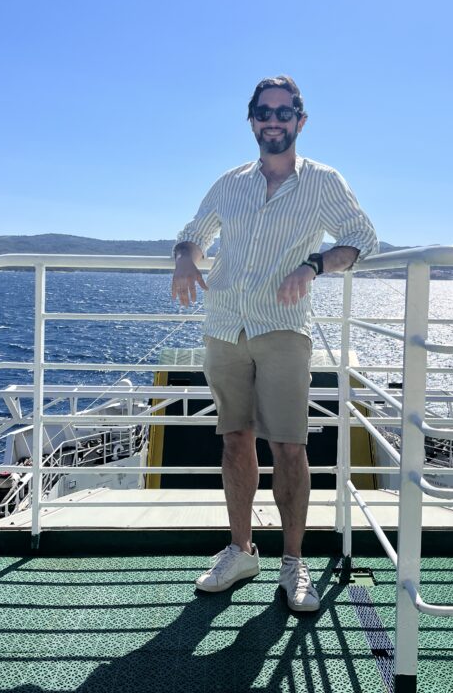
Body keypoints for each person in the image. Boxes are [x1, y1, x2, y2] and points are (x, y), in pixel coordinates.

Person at [172, 75, 378, 612]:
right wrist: (185, 260)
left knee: (289, 446)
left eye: (284, 112)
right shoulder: (230, 183)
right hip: (225, 325)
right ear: (252, 120)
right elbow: (193, 234)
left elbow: (362, 238)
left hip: (283, 326)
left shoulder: (323, 182)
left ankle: (293, 562)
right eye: (264, 112)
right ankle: (241, 551)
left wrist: (313, 266)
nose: (274, 121)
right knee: (235, 440)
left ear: (300, 121)